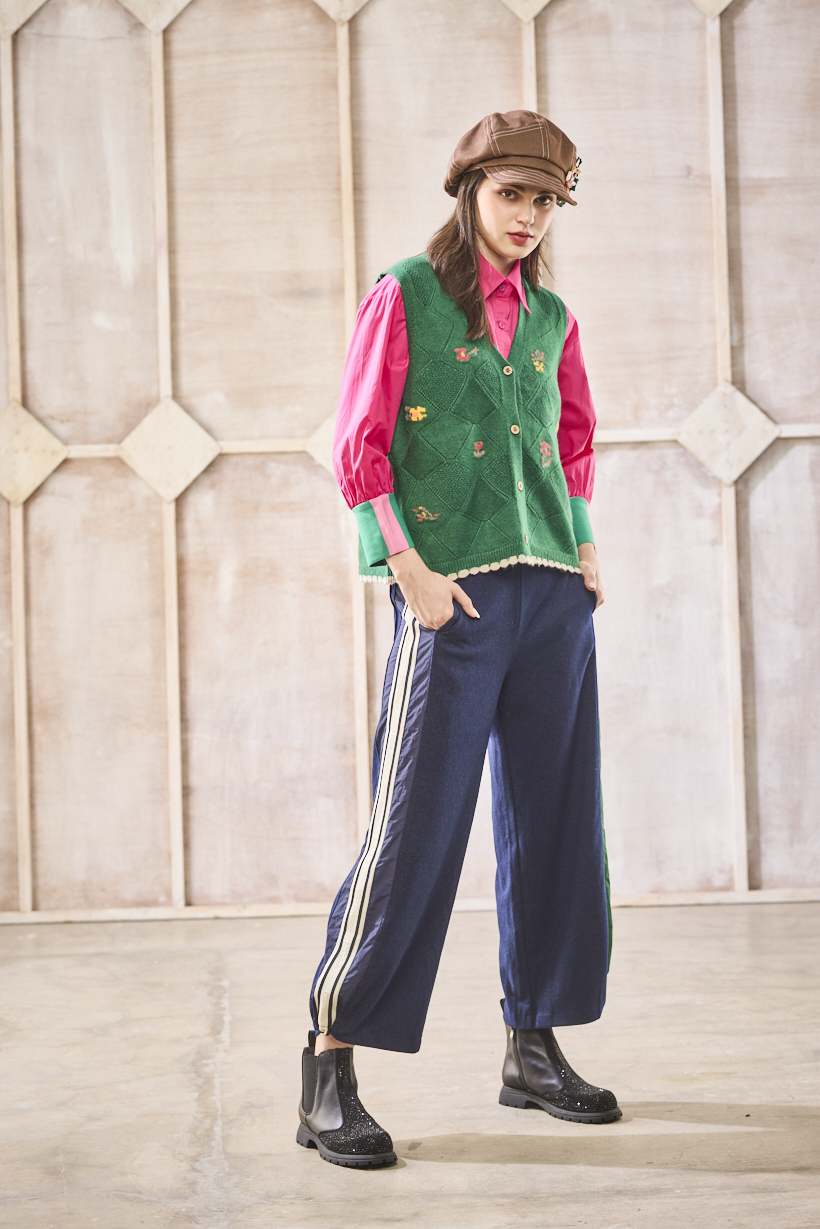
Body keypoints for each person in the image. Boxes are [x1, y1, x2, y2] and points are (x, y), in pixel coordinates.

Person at [297, 110, 620, 1169]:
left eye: (545, 201)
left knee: (558, 819)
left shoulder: (552, 317)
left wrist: (583, 548)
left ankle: (534, 1045)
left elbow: (573, 441)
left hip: (552, 595)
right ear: (470, 190)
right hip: (454, 597)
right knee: (416, 826)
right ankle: (329, 1065)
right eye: (511, 194)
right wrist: (408, 571)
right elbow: (359, 445)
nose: (528, 217)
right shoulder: (406, 293)